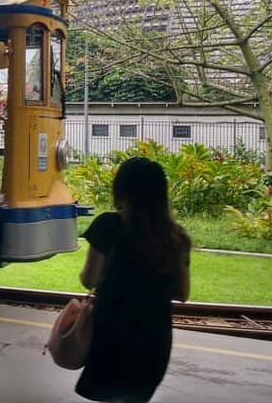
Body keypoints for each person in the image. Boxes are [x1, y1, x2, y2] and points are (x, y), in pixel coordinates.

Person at [76, 157, 191, 402]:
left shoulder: (107, 226)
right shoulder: (176, 238)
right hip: (153, 340)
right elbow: (182, 293)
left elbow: (88, 279)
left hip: (110, 336)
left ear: (121, 191)